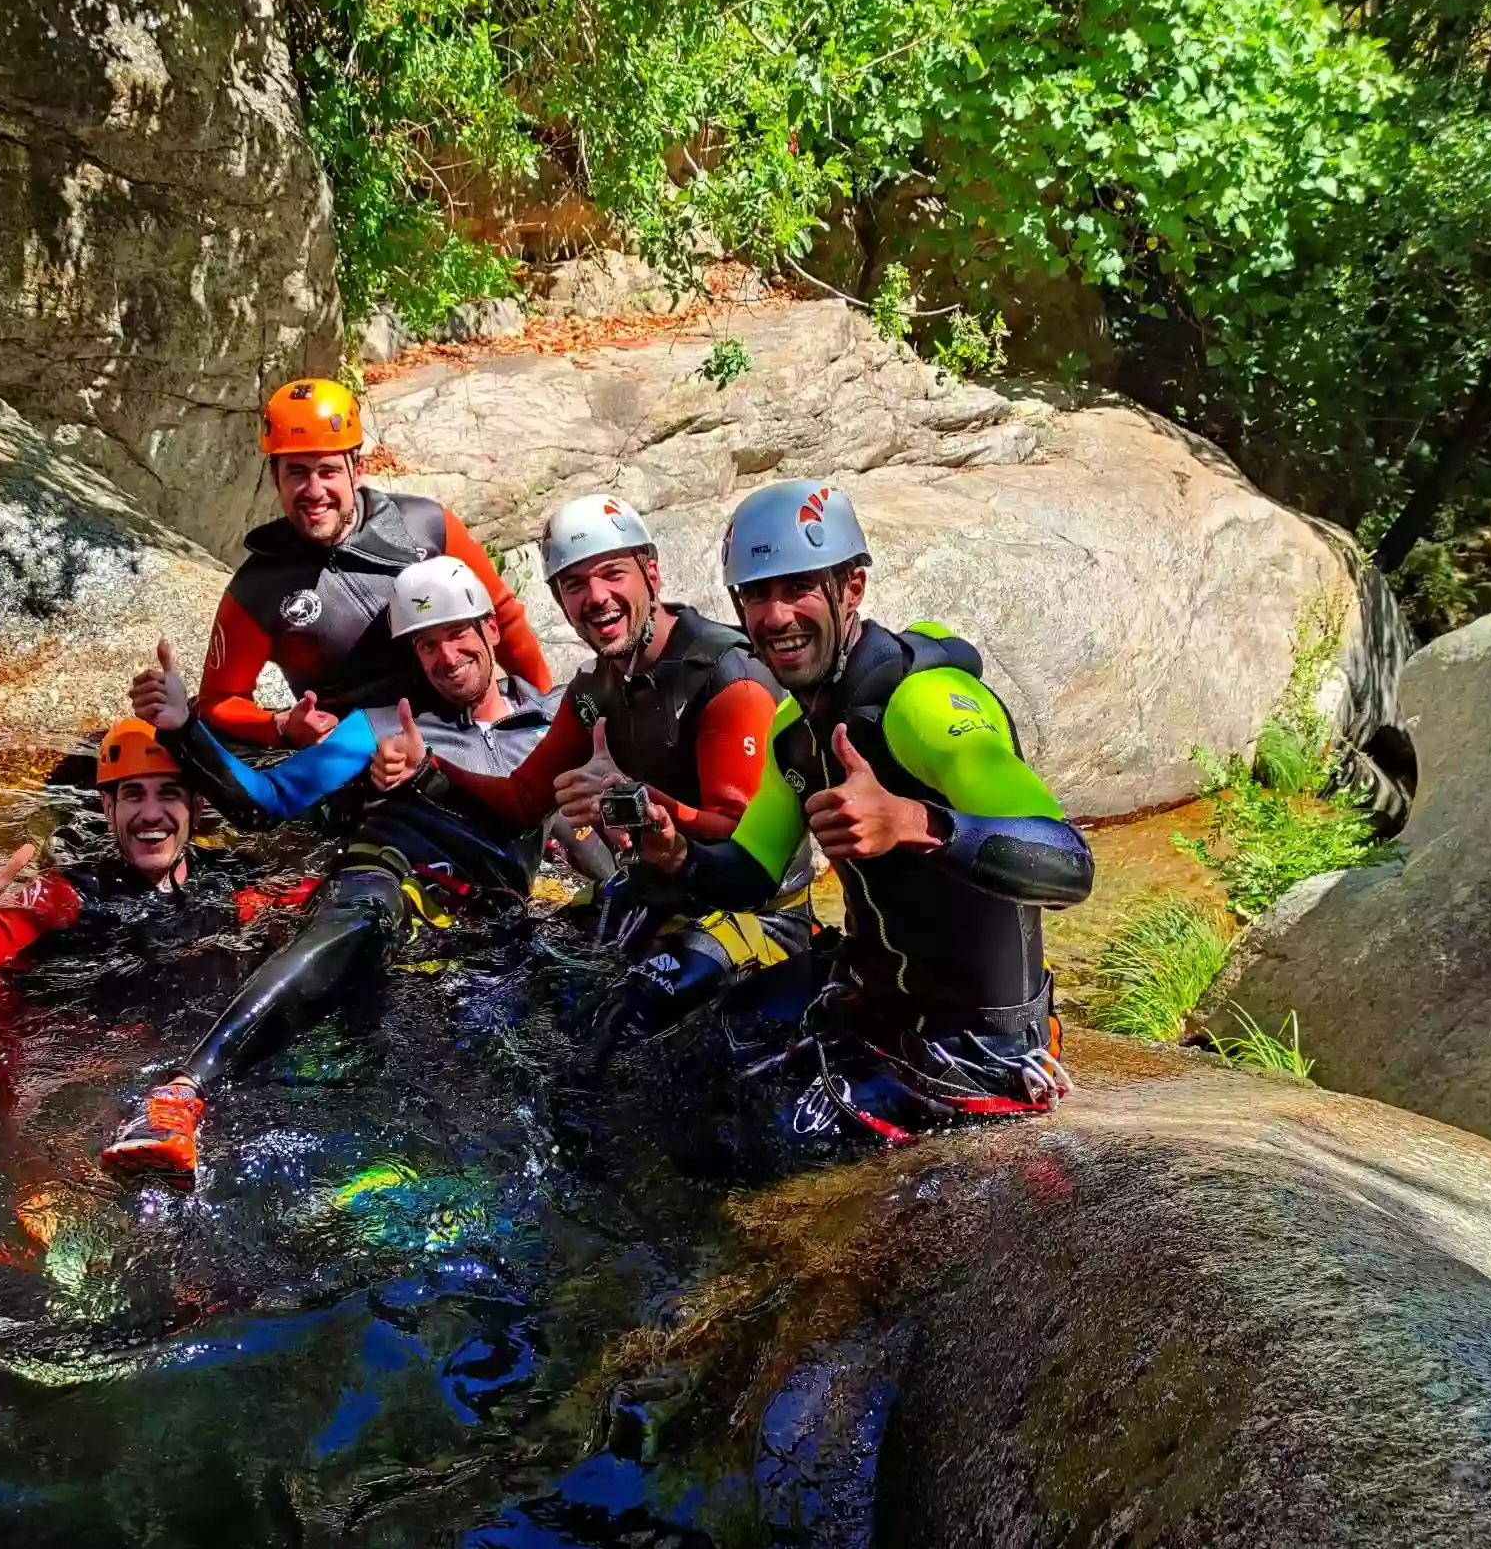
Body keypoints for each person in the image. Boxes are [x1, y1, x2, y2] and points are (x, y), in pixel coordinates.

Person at [632, 479, 1095, 1142]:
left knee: (750, 1145)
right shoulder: (795, 727)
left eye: (797, 587)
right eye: (756, 594)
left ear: (851, 587)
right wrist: (679, 854)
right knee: (686, 1060)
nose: (775, 616)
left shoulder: (922, 704)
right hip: (868, 995)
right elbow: (750, 874)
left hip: (973, 1041)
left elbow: (1070, 864)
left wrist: (914, 823)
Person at [100, 556, 577, 1178]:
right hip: (385, 877)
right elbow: (266, 803)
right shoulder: (378, 730)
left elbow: (574, 815)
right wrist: (187, 727)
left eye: (456, 633)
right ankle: (179, 1095)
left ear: (491, 628)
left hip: (477, 921)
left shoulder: (557, 720)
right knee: (367, 913)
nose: (445, 656)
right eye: (425, 645)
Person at [371, 496, 815, 1059]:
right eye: (575, 584)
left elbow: (741, 838)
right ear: (558, 599)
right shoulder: (594, 689)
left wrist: (638, 803)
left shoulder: (726, 675)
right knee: (503, 983)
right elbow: (522, 800)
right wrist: (429, 770)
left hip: (756, 915)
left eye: (612, 574)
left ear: (651, 573)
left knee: (615, 1033)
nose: (596, 598)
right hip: (655, 897)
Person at [196, 377, 551, 748]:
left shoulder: (427, 526)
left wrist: (543, 710)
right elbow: (218, 701)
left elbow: (504, 618)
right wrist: (280, 725)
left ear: (357, 468)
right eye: (296, 472)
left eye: (329, 471)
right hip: (368, 761)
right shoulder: (258, 586)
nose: (314, 491)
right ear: (275, 478)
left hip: (475, 731)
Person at [0, 717, 266, 983]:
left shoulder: (235, 880)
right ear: (108, 808)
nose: (150, 813)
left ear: (196, 806)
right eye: (133, 794)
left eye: (169, 793)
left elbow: (311, 910)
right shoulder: (70, 891)